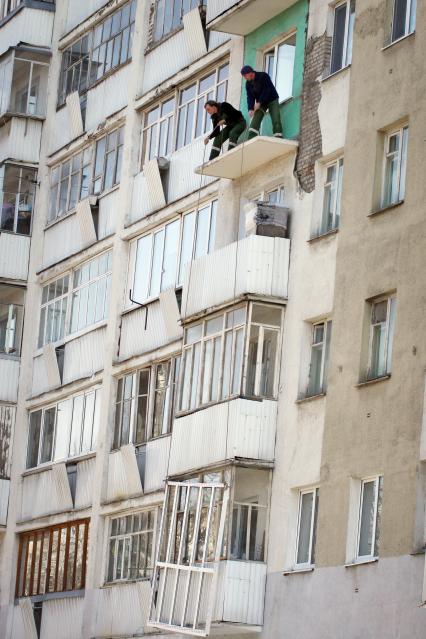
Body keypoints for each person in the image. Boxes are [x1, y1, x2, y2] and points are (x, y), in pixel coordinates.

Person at [240, 65, 283, 140]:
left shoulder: (263, 76)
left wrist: (259, 102)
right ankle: (251, 138)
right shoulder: (248, 84)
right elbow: (249, 97)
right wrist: (250, 109)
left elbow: (267, 90)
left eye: (245, 76)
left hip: (272, 99)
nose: (245, 78)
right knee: (255, 120)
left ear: (250, 73)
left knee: (276, 118)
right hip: (261, 103)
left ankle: (278, 137)